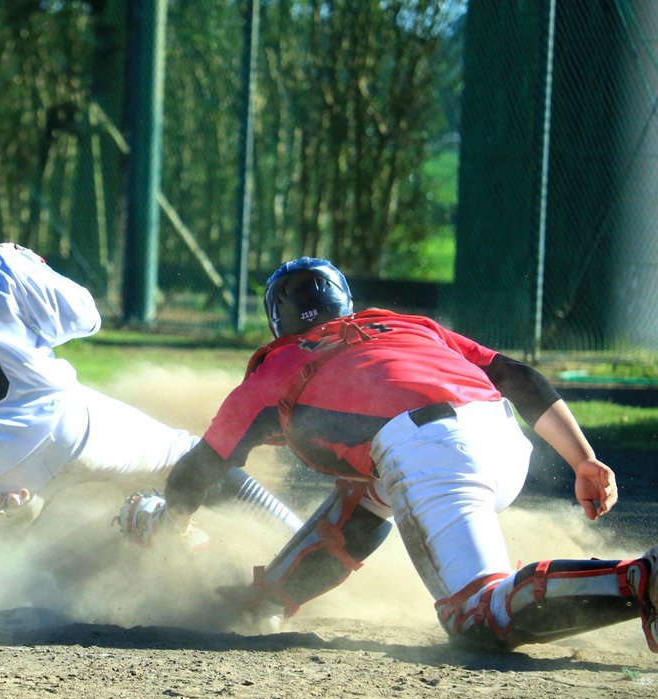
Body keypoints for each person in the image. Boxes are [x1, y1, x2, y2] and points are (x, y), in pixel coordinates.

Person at [118, 256, 658, 653]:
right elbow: (516, 376)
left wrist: (174, 523)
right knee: (364, 493)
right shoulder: (404, 325)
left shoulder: (278, 366)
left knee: (477, 618)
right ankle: (269, 599)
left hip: (433, 454)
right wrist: (583, 460)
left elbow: (199, 468)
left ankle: (637, 580)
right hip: (501, 436)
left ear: (278, 322)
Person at [0, 138, 301, 575]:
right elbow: (84, 317)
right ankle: (293, 546)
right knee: (192, 457)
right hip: (70, 432)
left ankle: (39, 515)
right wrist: (28, 266)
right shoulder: (1, 266)